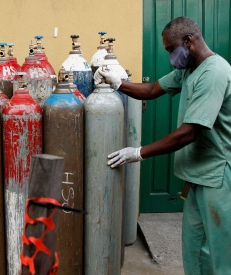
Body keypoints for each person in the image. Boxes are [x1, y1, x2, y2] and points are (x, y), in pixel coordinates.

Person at [94, 16, 231, 275]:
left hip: (218, 176)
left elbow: (189, 133)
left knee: (219, 253)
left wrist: (138, 152)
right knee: (194, 249)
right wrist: (117, 83)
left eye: (171, 49)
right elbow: (152, 89)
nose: (170, 56)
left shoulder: (215, 72)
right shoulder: (188, 70)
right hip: (197, 175)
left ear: (189, 41)